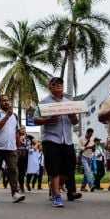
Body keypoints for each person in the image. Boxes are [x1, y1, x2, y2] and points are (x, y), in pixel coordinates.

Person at [34, 77, 80, 207]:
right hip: (50, 139)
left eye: (61, 83)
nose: (59, 85)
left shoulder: (68, 102)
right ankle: (57, 195)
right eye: (55, 84)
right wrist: (48, 120)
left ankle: (56, 186)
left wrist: (72, 116)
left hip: (67, 140)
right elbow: (35, 119)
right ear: (50, 86)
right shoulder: (44, 103)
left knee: (69, 169)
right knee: (54, 168)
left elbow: (75, 122)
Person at [0, 95, 25, 203]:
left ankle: (15, 193)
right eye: (3, 101)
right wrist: (7, 116)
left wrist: (18, 148)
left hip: (11, 148)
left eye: (7, 100)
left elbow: (17, 132)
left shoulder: (14, 116)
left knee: (13, 170)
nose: (6, 102)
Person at [18, 125, 34, 192]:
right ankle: (21, 186)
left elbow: (36, 143)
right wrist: (21, 138)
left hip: (29, 155)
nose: (23, 130)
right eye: (21, 128)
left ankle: (27, 183)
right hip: (20, 155)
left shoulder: (29, 137)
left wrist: (35, 146)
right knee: (21, 172)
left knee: (30, 171)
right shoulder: (17, 136)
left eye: (24, 128)